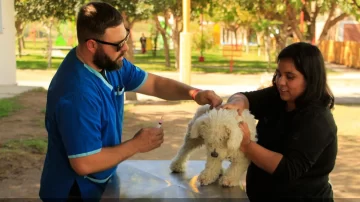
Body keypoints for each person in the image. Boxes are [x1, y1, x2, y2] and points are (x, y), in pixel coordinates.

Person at [39, 2, 222, 201]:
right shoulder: (76, 93)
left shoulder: (109, 63)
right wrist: (136, 144)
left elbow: (154, 84)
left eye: (125, 37)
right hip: (75, 191)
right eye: (118, 45)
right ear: (91, 45)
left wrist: (194, 94)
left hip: (102, 180)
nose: (125, 48)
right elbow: (84, 163)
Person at [221, 42, 337, 202]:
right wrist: (237, 104)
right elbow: (244, 97)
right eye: (278, 74)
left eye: (290, 76)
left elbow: (288, 169)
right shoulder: (278, 97)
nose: (280, 82)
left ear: (310, 79)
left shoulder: (318, 120)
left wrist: (246, 145)